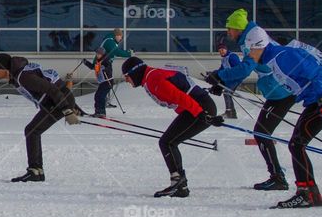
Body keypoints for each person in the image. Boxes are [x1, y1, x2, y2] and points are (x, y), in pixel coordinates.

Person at [209, 33, 322, 208]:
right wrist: (223, 83)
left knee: (297, 145)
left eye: (250, 51)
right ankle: (310, 194)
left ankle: (307, 194)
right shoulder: (271, 59)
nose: (248, 55)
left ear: (258, 47)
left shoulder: (283, 56)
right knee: (297, 145)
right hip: (316, 101)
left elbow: (316, 72)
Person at [204, 9, 295, 191]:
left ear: (238, 28)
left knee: (261, 132)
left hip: (283, 90)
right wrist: (222, 83)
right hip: (277, 92)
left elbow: (245, 69)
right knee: (261, 132)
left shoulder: (256, 35)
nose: (228, 33)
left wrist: (220, 76)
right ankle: (277, 176)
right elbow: (243, 70)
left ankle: (278, 178)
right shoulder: (248, 38)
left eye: (230, 29)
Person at [121, 56, 219, 198]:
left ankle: (179, 185)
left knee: (167, 142)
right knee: (168, 141)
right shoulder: (151, 76)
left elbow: (181, 98)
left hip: (199, 108)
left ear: (134, 72)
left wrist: (202, 114)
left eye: (127, 76)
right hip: (197, 108)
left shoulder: (153, 79)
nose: (126, 80)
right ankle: (180, 184)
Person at [0, 53, 80, 182]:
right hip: (56, 101)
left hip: (57, 101)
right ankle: (37, 171)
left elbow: (51, 88)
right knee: (32, 130)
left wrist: (66, 108)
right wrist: (71, 106)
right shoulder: (18, 76)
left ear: (4, 68)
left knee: (32, 131)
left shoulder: (24, 77)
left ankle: (35, 171)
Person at [85, 27, 133, 117]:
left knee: (100, 96)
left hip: (107, 81)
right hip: (104, 80)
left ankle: (101, 112)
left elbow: (114, 54)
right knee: (98, 95)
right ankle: (99, 112)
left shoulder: (105, 60)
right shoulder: (110, 42)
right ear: (116, 35)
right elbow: (93, 67)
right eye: (120, 36)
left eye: (98, 54)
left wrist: (127, 53)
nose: (121, 38)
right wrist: (85, 62)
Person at [216, 41, 239, 119]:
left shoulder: (232, 56)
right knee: (227, 93)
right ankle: (232, 113)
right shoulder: (224, 59)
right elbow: (222, 69)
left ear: (226, 49)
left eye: (222, 50)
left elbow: (238, 68)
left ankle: (229, 112)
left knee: (227, 93)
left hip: (235, 79)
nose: (221, 52)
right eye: (219, 51)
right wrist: (214, 73)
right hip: (229, 80)